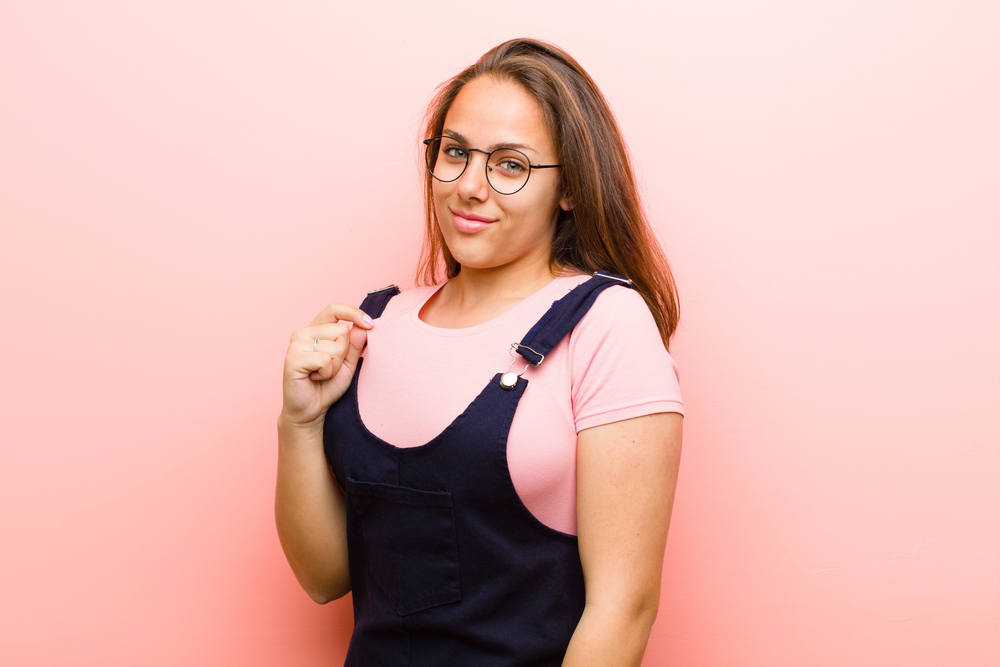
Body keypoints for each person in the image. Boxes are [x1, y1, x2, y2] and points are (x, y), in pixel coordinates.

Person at [275, 38, 684, 667]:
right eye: (455, 153)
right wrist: (299, 423)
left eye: (511, 164)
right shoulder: (376, 324)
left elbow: (622, 608)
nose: (469, 186)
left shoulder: (606, 323)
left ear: (569, 188)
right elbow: (325, 578)